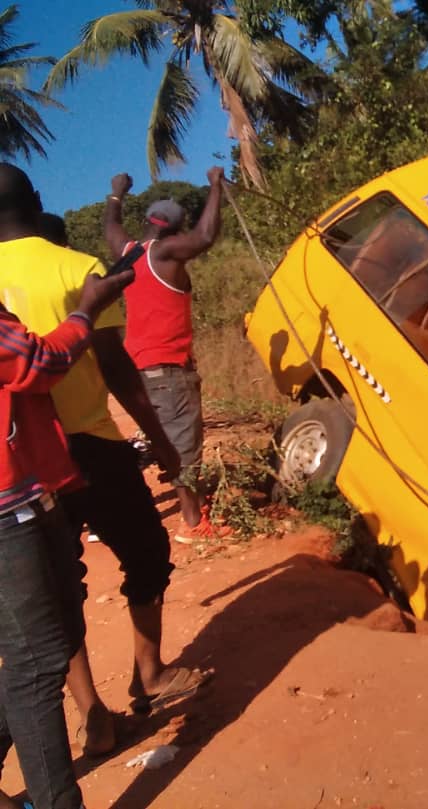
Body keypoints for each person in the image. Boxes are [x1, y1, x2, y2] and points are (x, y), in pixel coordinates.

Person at [0, 164, 208, 760]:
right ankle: (150, 673)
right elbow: (117, 369)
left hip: (22, 463)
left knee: (58, 587)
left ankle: (94, 710)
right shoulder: (76, 268)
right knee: (146, 552)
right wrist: (161, 444)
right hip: (91, 441)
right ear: (36, 201)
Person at [0, 194, 134, 809]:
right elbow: (37, 362)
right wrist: (88, 308)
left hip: (29, 489)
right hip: (9, 507)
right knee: (36, 662)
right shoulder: (71, 270)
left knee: (42, 646)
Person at [103, 168, 228, 544]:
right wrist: (216, 187)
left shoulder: (128, 252)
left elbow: (110, 225)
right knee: (183, 447)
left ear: (146, 223)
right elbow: (205, 236)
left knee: (161, 441)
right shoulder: (166, 252)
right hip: (168, 370)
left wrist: (116, 192)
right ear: (174, 230)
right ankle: (193, 524)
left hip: (138, 367)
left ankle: (114, 509)